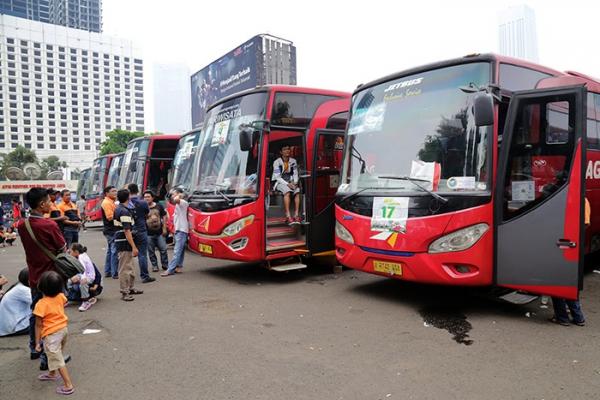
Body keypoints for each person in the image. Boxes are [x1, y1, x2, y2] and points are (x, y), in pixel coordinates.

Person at [17, 187, 67, 371]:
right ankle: (48, 357)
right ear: (42, 204)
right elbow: (62, 248)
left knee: (36, 314)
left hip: (34, 276)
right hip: (51, 278)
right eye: (49, 201)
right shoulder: (49, 225)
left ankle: (34, 347)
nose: (51, 203)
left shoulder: (22, 225)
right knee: (52, 318)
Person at [550, 198, 589, 327]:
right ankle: (578, 318)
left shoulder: (563, 199)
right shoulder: (584, 200)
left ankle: (562, 317)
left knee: (556, 283)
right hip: (574, 247)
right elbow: (585, 223)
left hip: (562, 245)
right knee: (570, 283)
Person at [33, 271, 74, 395]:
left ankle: (68, 385)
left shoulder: (40, 304)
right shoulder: (61, 296)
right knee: (55, 354)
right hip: (63, 330)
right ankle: (52, 373)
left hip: (51, 335)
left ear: (40, 287)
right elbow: (64, 302)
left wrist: (37, 342)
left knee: (57, 359)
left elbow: (38, 325)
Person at [114, 189, 144, 301]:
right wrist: (134, 246)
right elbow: (127, 231)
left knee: (130, 266)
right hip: (124, 242)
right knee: (125, 268)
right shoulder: (124, 212)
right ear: (128, 198)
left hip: (122, 241)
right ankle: (124, 291)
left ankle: (130, 288)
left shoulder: (119, 209)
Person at [127, 183, 155, 283]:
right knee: (142, 254)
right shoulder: (143, 203)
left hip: (128, 230)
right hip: (141, 229)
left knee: (127, 255)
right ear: (138, 190)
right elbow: (148, 214)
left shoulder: (126, 203)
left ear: (128, 191)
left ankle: (127, 277)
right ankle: (144, 276)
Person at [161, 188, 189, 277]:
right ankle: (179, 266)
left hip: (181, 230)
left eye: (173, 194)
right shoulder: (179, 204)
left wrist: (179, 195)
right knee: (181, 250)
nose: (172, 196)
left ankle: (170, 269)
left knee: (177, 251)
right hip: (179, 229)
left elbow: (176, 199)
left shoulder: (183, 203)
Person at [272, 145, 302, 225]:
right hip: (280, 182)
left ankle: (296, 215)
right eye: (284, 149)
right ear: (281, 152)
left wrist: (295, 182)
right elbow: (277, 177)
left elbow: (295, 173)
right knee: (287, 192)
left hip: (291, 181)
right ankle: (288, 216)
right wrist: (288, 184)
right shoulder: (277, 162)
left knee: (297, 191)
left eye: (288, 149)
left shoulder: (293, 161)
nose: (287, 151)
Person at [0, 268, 32, 337]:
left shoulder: (19, 286)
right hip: (13, 327)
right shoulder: (23, 290)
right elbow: (40, 302)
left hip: (7, 327)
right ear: (29, 281)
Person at [67, 243, 98, 312]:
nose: (70, 253)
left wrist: (82, 278)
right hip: (83, 274)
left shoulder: (81, 257)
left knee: (82, 283)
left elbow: (83, 269)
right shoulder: (82, 255)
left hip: (89, 276)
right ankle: (67, 298)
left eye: (71, 251)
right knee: (69, 281)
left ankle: (86, 301)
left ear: (76, 252)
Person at [144, 190, 169, 272]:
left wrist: (164, 228)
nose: (146, 198)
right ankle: (155, 266)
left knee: (163, 249)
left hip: (159, 233)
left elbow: (164, 216)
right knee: (151, 251)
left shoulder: (159, 206)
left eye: (148, 197)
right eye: (145, 197)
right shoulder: (143, 207)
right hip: (148, 233)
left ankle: (165, 265)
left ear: (152, 198)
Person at [101, 186, 119, 279]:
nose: (115, 192)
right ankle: (114, 272)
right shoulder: (107, 203)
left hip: (110, 230)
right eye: (113, 191)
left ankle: (108, 271)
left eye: (115, 191)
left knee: (110, 251)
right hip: (111, 230)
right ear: (107, 193)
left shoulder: (110, 202)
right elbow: (110, 217)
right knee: (114, 251)